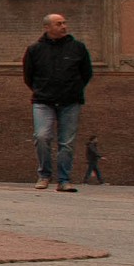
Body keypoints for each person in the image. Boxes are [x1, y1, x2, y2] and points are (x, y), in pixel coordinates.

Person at [22, 12, 93, 192]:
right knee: (41, 136)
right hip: (43, 100)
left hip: (70, 101)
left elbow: (86, 73)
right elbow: (28, 76)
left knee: (66, 142)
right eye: (59, 24)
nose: (64, 26)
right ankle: (44, 175)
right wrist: (41, 89)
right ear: (47, 27)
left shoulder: (78, 48)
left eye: (64, 23)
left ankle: (64, 179)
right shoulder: (34, 50)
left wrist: (74, 89)